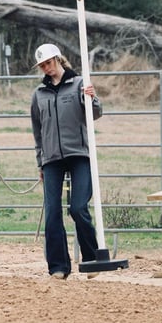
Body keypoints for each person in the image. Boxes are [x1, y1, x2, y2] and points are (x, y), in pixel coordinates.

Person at [29, 43, 102, 280]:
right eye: (42, 66)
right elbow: (37, 131)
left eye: (48, 63)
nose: (46, 69)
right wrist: (40, 161)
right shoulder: (39, 94)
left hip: (79, 153)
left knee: (78, 207)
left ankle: (91, 260)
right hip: (51, 158)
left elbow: (96, 113)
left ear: (58, 60)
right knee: (52, 212)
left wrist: (92, 99)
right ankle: (58, 267)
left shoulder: (80, 84)